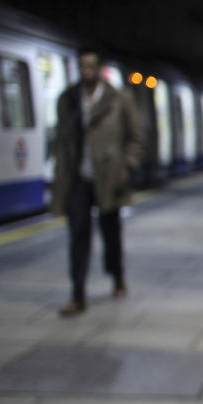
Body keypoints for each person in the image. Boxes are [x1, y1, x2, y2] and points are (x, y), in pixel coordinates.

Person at [51, 50, 143, 316]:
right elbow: (62, 137)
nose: (86, 71)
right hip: (77, 178)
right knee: (77, 235)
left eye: (91, 66)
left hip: (110, 178)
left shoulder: (119, 99)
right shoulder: (68, 100)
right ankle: (77, 294)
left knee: (111, 233)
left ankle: (117, 276)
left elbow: (136, 138)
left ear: (99, 69)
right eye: (82, 66)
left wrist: (126, 167)